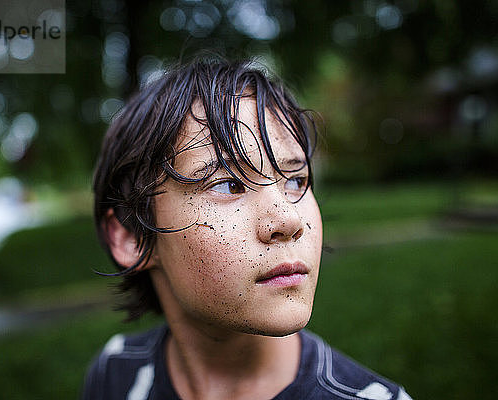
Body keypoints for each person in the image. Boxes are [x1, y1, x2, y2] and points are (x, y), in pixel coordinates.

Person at [83, 59, 412, 400]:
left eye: (296, 180)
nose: (288, 221)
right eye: (227, 185)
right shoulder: (114, 375)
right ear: (131, 237)